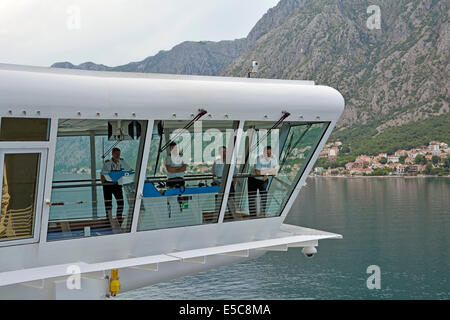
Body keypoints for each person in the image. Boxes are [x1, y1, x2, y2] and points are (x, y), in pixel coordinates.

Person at [101, 147, 131, 228]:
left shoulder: (122, 161)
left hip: (117, 185)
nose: (118, 156)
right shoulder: (107, 163)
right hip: (108, 185)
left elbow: (129, 170)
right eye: (116, 154)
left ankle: (119, 219)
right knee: (108, 204)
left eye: (119, 154)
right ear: (112, 154)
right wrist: (103, 184)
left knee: (121, 202)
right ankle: (108, 220)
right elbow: (102, 175)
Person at [248, 146, 279, 217]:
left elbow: (276, 170)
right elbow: (257, 172)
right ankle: (253, 215)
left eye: (270, 153)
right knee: (252, 197)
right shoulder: (259, 158)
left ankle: (262, 214)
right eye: (267, 153)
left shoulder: (273, 158)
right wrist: (268, 171)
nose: (268, 155)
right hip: (253, 179)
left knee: (264, 197)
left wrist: (267, 173)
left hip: (263, 180)